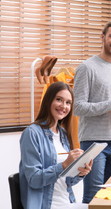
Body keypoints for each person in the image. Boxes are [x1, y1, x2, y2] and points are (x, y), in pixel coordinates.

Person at [73, 19, 111, 203]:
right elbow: (78, 107)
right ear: (103, 38)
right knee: (94, 197)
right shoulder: (87, 68)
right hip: (93, 142)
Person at [19, 81, 93, 209]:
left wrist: (80, 173)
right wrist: (64, 165)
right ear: (48, 101)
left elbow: (65, 180)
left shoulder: (63, 133)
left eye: (68, 102)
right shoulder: (31, 133)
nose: (64, 106)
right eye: (59, 99)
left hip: (67, 202)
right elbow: (33, 179)